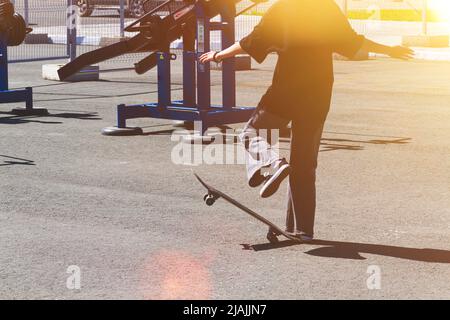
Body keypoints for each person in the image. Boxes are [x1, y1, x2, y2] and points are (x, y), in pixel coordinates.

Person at [199, 0, 413, 241]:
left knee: (251, 132)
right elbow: (354, 42)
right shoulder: (327, 8)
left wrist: (218, 54)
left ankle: (273, 161)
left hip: (285, 93)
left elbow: (251, 42)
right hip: (318, 97)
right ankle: (303, 230)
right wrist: (390, 49)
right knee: (304, 166)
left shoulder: (283, 8)